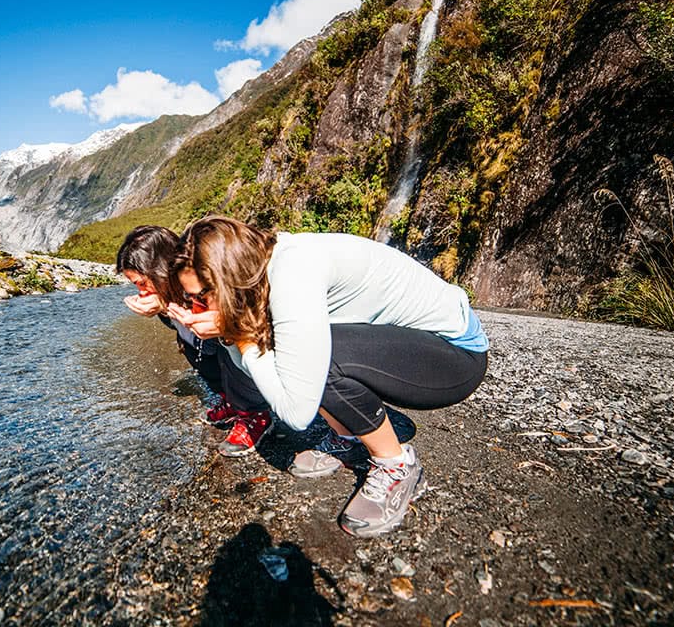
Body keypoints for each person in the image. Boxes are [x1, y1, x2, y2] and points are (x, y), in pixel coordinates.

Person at [169, 216, 489, 538]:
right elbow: (252, 370)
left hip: (455, 357)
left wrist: (237, 335)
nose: (198, 307)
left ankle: (396, 465)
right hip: (411, 347)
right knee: (295, 348)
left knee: (318, 357)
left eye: (202, 296)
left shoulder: (293, 274)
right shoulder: (265, 270)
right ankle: (347, 437)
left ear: (230, 280)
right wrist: (235, 334)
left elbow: (296, 414)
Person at [116, 226, 274, 456]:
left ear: (160, 271)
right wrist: (164, 310)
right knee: (187, 345)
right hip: (220, 347)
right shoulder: (171, 290)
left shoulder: (199, 284)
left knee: (223, 344)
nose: (141, 292)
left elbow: (212, 341)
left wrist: (168, 310)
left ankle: (256, 413)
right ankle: (231, 400)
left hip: (254, 341)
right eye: (136, 285)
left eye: (142, 283)